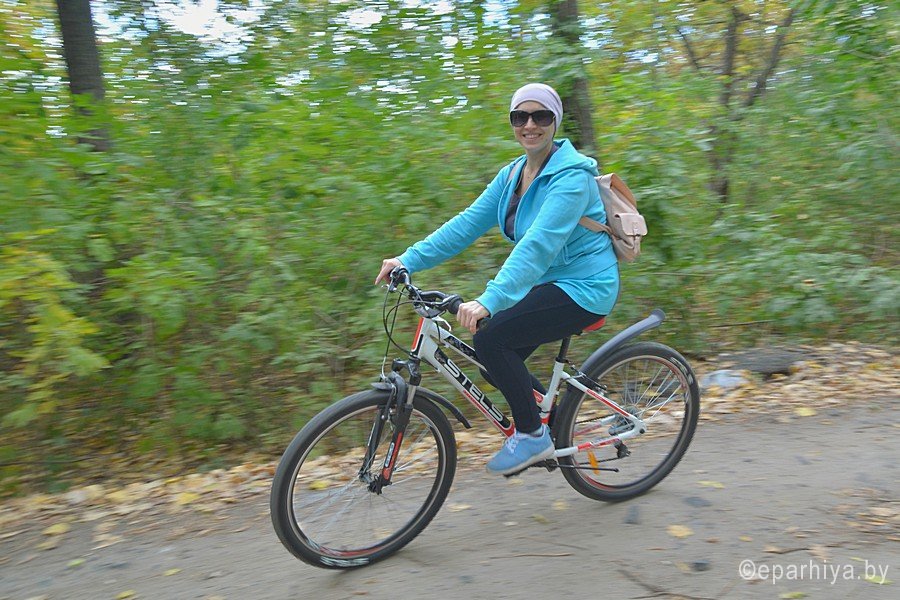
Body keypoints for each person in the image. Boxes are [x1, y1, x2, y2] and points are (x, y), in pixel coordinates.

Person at [375, 83, 620, 475]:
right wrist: (408, 259)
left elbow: (538, 245)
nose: (529, 125)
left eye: (540, 116)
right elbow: (466, 225)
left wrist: (490, 299)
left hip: (585, 286)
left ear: (555, 122)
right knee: (493, 361)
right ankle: (553, 419)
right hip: (547, 281)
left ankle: (532, 436)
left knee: (491, 340)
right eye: (520, 116)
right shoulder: (512, 176)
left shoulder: (571, 179)